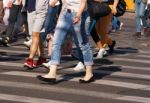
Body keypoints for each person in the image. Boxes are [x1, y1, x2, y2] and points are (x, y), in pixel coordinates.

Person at [37, 0, 94, 84]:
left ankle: (89, 73)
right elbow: (64, 3)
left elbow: (83, 3)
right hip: (65, 14)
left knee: (83, 45)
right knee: (56, 42)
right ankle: (52, 73)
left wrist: (78, 16)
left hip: (80, 15)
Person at [24, 0, 49, 69]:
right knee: (36, 35)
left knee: (35, 33)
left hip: (41, 10)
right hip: (31, 8)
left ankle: (30, 59)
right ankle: (42, 58)